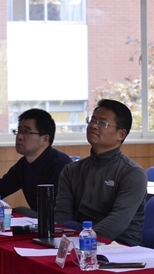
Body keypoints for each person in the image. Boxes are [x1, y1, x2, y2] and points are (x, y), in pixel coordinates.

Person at [55, 99, 147, 246]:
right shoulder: (71, 170)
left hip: (119, 245)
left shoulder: (133, 174)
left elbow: (117, 222)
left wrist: (84, 240)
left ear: (121, 134)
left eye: (102, 123)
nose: (93, 126)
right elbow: (62, 215)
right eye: (92, 120)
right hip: (79, 239)